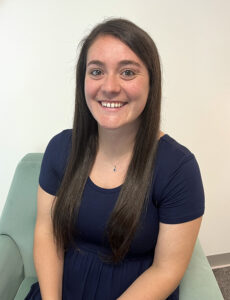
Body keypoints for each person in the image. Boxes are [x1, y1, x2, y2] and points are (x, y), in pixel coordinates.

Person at [25, 18, 205, 300]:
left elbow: (167, 269)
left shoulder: (178, 168)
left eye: (128, 72)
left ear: (151, 82)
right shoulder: (61, 148)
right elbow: (47, 232)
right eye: (96, 71)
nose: (109, 87)